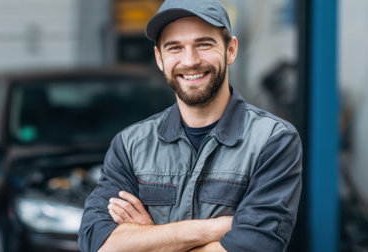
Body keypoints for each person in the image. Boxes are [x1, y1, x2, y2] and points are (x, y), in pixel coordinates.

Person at [78, 0, 302, 251]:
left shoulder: (272, 140)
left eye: (204, 44)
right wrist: (212, 229)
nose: (190, 60)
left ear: (231, 50)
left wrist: (148, 237)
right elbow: (98, 243)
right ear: (159, 58)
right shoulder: (130, 145)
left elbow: (255, 246)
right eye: (174, 47)